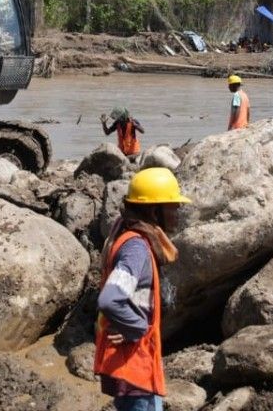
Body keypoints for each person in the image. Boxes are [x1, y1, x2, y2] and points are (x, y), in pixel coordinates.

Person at [94, 167, 191, 410]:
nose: (178, 213)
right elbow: (110, 298)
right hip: (134, 366)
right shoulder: (136, 248)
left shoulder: (130, 235)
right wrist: (136, 328)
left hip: (135, 365)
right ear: (153, 210)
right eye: (172, 207)